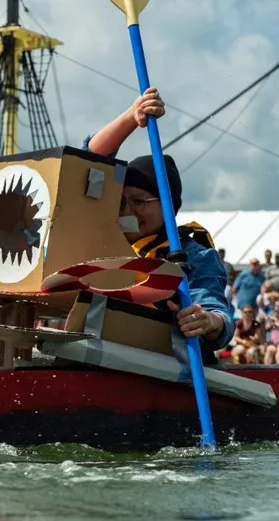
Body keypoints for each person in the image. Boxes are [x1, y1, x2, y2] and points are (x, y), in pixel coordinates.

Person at [85, 86, 234, 360]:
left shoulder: (192, 253)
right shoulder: (102, 242)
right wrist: (132, 116)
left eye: (139, 202)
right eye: (120, 202)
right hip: (104, 360)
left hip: (169, 370)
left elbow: (216, 311)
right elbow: (89, 160)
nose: (128, 211)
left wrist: (208, 321)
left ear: (166, 207)